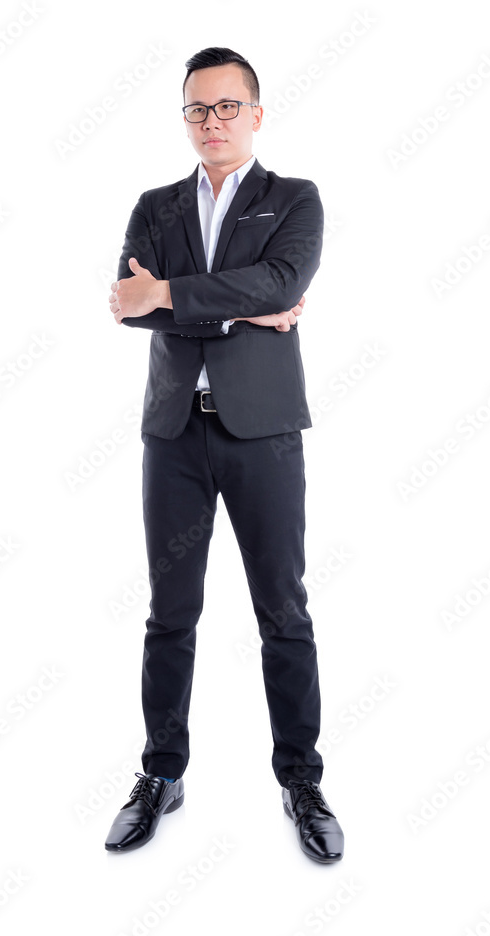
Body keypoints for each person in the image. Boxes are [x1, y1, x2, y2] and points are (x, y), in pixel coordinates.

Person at [105, 47, 344, 864]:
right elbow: (127, 307)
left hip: (264, 433)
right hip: (173, 432)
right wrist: (245, 306)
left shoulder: (295, 199)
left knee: (284, 609)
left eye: (227, 107)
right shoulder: (155, 206)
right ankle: (161, 774)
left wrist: (174, 293)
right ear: (186, 118)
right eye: (197, 110)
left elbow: (279, 282)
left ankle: (301, 779)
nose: (212, 123)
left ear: (256, 113)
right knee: (170, 615)